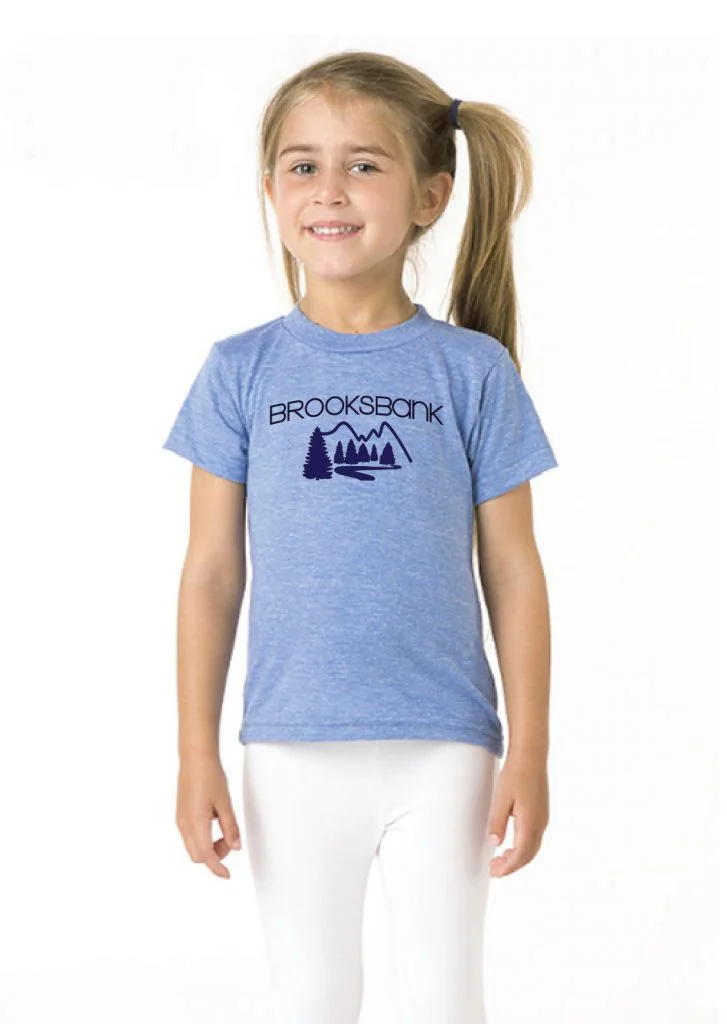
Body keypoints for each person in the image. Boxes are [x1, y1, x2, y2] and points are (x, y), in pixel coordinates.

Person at [162, 49, 558, 1024]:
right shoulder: (239, 371)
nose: (328, 190)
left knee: (442, 1000)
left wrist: (530, 751)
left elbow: (514, 572)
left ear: (430, 196)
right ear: (270, 190)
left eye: (363, 165)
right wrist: (195, 753)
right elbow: (211, 574)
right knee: (310, 1000)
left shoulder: (472, 371)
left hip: (446, 747)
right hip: (289, 748)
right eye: (302, 165)